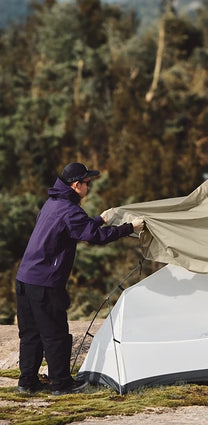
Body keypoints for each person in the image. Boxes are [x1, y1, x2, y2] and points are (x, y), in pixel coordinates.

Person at [15, 162, 143, 395]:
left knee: (31, 334)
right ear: (76, 185)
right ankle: (62, 385)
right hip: (45, 284)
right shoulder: (69, 210)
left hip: (25, 280)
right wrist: (129, 228)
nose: (89, 187)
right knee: (56, 336)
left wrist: (100, 219)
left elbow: (77, 228)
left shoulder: (53, 204)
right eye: (87, 183)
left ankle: (27, 383)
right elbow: (95, 237)